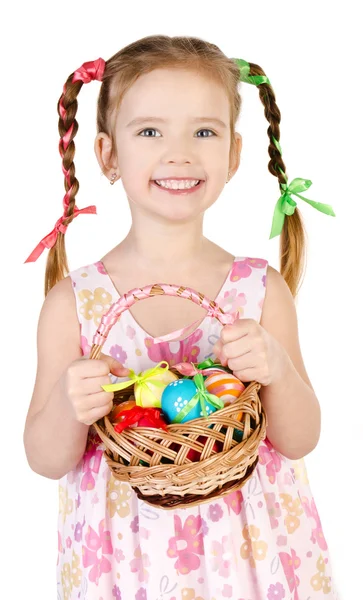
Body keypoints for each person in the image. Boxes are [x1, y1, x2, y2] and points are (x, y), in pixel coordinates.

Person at [23, 34, 338, 600]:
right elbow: (45, 459)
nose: (180, 152)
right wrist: (71, 407)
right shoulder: (77, 302)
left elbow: (301, 438)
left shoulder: (257, 290)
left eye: (204, 131)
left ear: (234, 155)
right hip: (122, 564)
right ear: (107, 155)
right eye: (149, 131)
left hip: (252, 558)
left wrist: (278, 370)